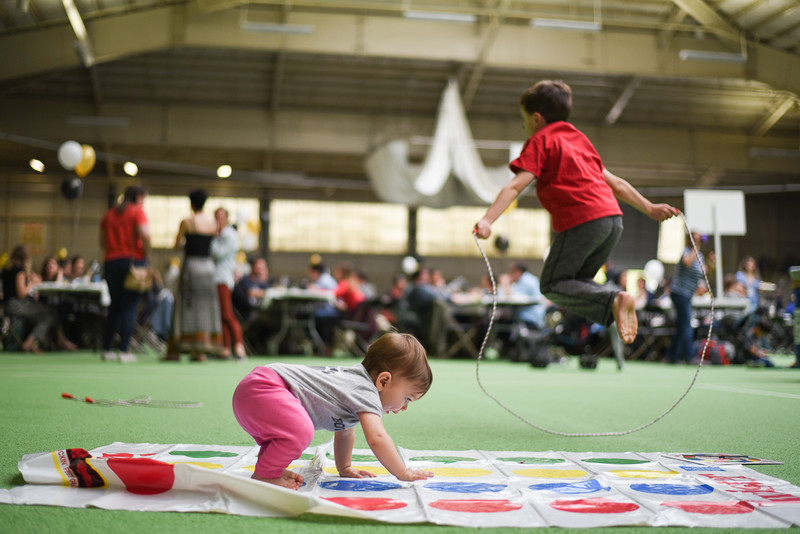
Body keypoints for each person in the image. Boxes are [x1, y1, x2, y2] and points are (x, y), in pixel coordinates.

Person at [473, 80, 678, 345]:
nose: (524, 125)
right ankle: (617, 299)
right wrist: (649, 207)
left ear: (536, 118)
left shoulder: (540, 140)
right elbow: (614, 182)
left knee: (551, 284)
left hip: (582, 221)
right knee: (577, 283)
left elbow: (515, 186)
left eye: (524, 119)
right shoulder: (580, 140)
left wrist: (488, 220)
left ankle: (616, 298)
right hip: (613, 222)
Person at [232, 332, 433, 490]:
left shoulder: (353, 387)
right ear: (383, 380)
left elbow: (345, 431)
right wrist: (403, 472)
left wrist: (344, 468)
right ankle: (266, 474)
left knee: (289, 432)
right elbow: (377, 438)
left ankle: (269, 468)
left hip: (255, 389)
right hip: (266, 388)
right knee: (301, 430)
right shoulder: (365, 390)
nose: (404, 407)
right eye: (407, 398)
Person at [165, 188, 223, 362]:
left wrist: (186, 242)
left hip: (192, 267)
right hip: (208, 267)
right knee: (205, 307)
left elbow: (176, 244)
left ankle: (177, 349)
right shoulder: (214, 223)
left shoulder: (187, 222)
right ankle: (201, 351)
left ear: (191, 203)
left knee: (186, 305)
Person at [99, 184, 150, 363]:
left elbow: (102, 241)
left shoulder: (109, 214)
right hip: (132, 262)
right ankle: (124, 350)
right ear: (138, 197)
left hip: (111, 262)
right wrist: (146, 254)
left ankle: (106, 349)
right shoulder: (137, 212)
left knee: (114, 306)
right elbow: (146, 235)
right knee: (129, 306)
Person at [1, 244, 76, 352]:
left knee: (47, 316)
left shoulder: (6, 270)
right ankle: (32, 342)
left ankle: (49, 340)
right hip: (16, 305)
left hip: (6, 305)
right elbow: (22, 293)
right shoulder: (19, 271)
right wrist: (31, 284)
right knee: (51, 312)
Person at [666, 230, 715, 364]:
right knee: (687, 325)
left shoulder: (699, 256)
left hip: (687, 294)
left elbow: (704, 274)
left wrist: (711, 264)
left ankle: (671, 356)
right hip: (679, 293)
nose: (697, 241)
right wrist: (695, 248)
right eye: (695, 239)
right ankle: (690, 356)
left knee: (682, 326)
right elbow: (687, 262)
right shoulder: (687, 252)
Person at [210, 207, 245, 360]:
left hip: (222, 278)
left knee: (227, 314)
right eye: (216, 217)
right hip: (217, 278)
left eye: (221, 217)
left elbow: (217, 254)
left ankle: (239, 346)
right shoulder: (221, 235)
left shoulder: (228, 235)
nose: (218, 220)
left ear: (226, 218)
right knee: (221, 315)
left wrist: (210, 238)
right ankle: (225, 348)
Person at [506, 261, 546, 330]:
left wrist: (505, 284)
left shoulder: (525, 280)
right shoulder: (530, 278)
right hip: (536, 318)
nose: (509, 275)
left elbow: (511, 298)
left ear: (517, 272)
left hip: (530, 318)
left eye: (511, 272)